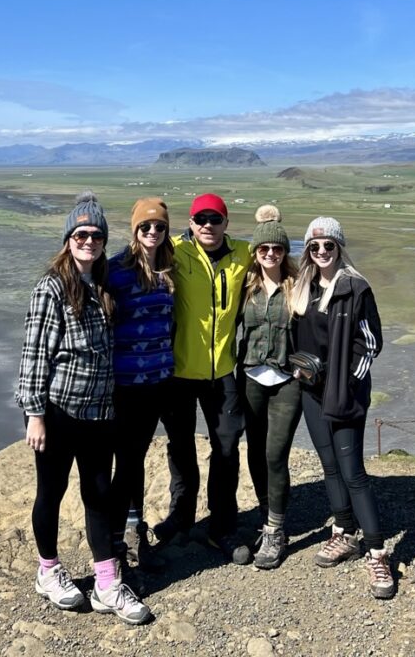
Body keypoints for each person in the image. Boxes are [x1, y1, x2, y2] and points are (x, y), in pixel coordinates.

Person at [15, 191, 151, 625]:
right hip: (56, 413)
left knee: (98, 495)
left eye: (95, 235)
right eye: (80, 234)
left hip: (98, 413)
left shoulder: (104, 286)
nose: (88, 241)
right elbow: (35, 355)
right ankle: (48, 571)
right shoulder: (51, 288)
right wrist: (35, 414)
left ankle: (106, 584)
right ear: (68, 239)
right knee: (51, 493)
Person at [291, 216, 394, 599]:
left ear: (339, 247)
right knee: (329, 465)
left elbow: (370, 344)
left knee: (353, 472)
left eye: (328, 246)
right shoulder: (303, 288)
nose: (321, 252)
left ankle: (377, 550)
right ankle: (344, 532)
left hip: (344, 395)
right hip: (311, 392)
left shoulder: (355, 288)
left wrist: (347, 383)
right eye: (314, 246)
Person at [155, 193, 253, 563]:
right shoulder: (175, 251)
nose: (207, 225)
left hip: (223, 373)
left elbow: (281, 260)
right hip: (179, 373)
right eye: (200, 219)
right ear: (191, 223)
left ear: (227, 223)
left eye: (215, 219)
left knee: (226, 449)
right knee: (180, 447)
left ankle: (222, 526)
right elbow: (136, 254)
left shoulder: (243, 253)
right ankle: (181, 517)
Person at [108, 198, 174, 572]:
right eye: (145, 227)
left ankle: (133, 531)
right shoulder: (116, 270)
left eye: (159, 227)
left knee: (135, 459)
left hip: (157, 382)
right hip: (123, 382)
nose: (152, 232)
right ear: (134, 230)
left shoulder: (169, 271)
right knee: (126, 459)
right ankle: (116, 541)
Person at [237, 205, 301, 569]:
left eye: (277, 249)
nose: (271, 254)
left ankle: (276, 529)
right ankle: (266, 515)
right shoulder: (245, 287)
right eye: (264, 249)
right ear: (256, 253)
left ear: (284, 251)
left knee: (275, 454)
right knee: (254, 453)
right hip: (250, 380)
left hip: (286, 383)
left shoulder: (298, 288)